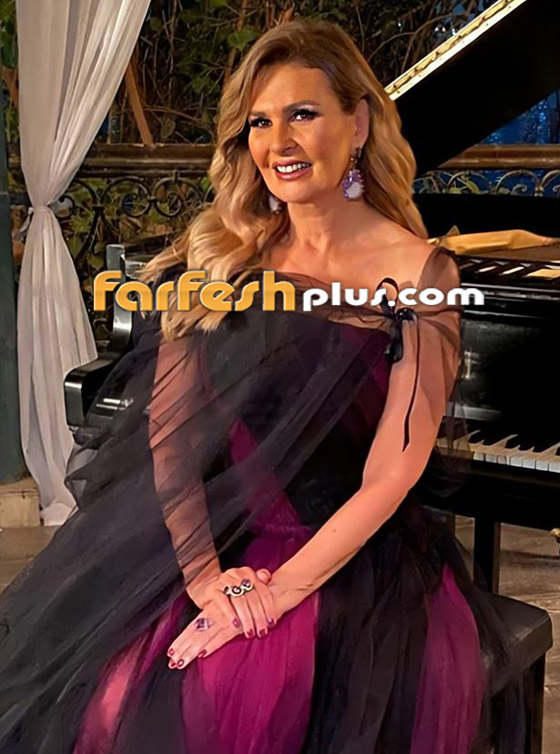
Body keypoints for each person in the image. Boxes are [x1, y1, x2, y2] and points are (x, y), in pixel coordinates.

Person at [0, 18, 526, 754]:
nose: (278, 141)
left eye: (302, 113)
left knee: (227, 691)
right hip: (217, 539)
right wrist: (206, 580)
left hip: (349, 556)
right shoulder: (218, 257)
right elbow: (171, 439)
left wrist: (274, 595)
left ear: (358, 124)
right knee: (109, 696)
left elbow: (393, 471)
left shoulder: (419, 274)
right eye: (259, 121)